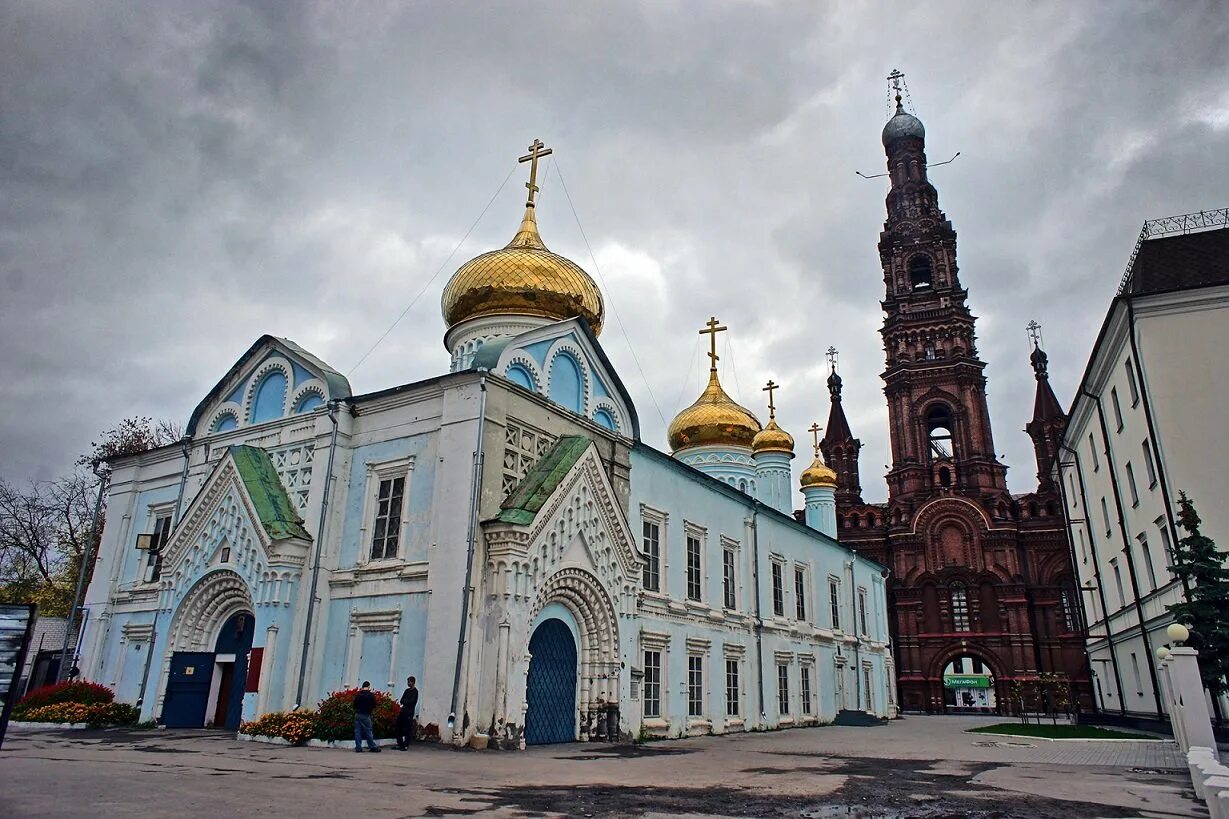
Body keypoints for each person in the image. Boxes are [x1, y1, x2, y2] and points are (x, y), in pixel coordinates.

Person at [353, 681, 381, 753]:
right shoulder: (370, 695)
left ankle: (358, 747)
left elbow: (354, 705)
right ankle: (372, 746)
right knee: (368, 731)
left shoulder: (358, 695)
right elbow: (374, 704)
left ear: (362, 686)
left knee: (358, 731)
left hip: (357, 714)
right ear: (368, 686)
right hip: (366, 715)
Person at [396, 676, 418, 750]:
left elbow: (412, 702)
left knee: (407, 729)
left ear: (413, 682)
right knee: (398, 727)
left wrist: (406, 701)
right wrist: (406, 701)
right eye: (408, 682)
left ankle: (405, 745)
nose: (408, 683)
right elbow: (402, 700)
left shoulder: (415, 691)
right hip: (403, 712)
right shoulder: (406, 691)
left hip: (409, 713)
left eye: (409, 682)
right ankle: (400, 744)